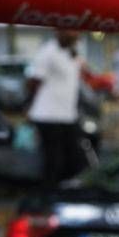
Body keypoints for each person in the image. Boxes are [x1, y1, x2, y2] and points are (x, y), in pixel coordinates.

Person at [26, 29, 89, 186]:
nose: (76, 34)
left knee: (76, 160)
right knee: (54, 161)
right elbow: (33, 81)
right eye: (71, 31)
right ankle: (49, 193)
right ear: (59, 32)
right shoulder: (48, 52)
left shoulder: (73, 53)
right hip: (48, 116)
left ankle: (65, 191)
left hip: (68, 115)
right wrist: (28, 105)